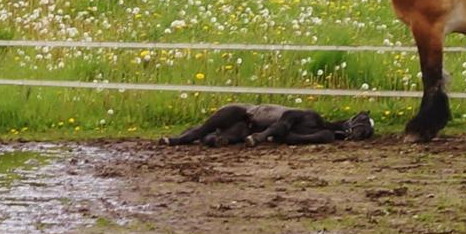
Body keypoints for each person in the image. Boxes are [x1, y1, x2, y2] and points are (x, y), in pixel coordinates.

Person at [160, 103, 374, 147]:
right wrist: (265, 135)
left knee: (224, 138)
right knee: (210, 125)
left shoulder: (325, 133)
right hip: (248, 113)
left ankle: (211, 139)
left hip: (249, 129)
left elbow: (288, 137)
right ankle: (184, 138)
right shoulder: (313, 117)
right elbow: (288, 117)